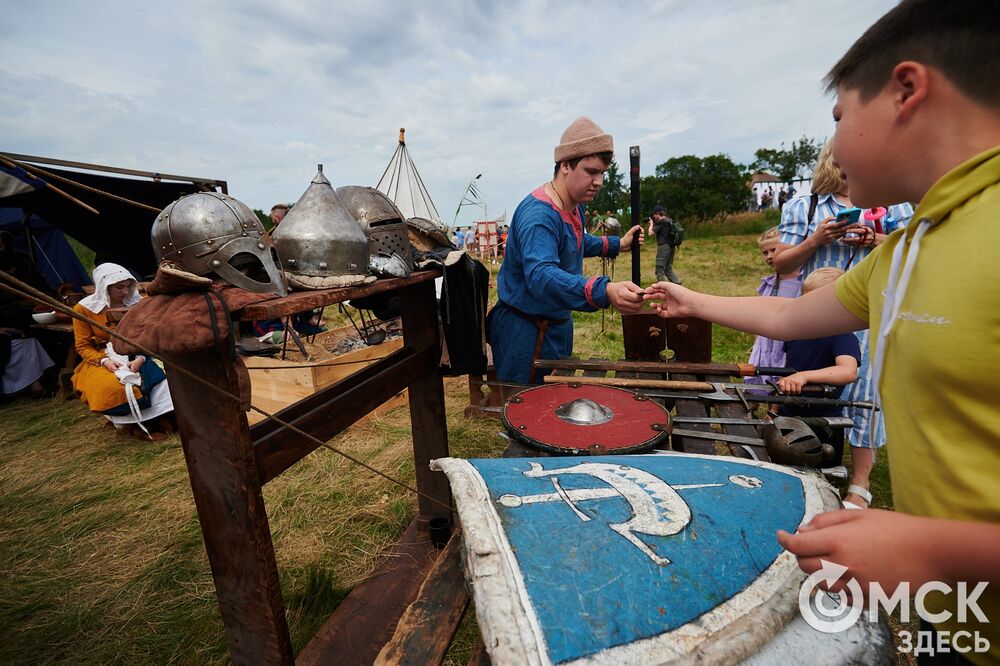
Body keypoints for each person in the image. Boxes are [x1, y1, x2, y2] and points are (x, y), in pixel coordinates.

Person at [646, 0, 1000, 656]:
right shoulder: (910, 248)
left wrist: (927, 546)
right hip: (954, 613)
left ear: (906, 89)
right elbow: (786, 313)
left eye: (839, 117)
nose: (832, 147)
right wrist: (690, 298)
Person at [772, 139, 913, 510]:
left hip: (872, 310)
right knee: (810, 378)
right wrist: (817, 238)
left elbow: (917, 251)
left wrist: (875, 238)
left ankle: (860, 481)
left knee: (867, 389)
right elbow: (781, 263)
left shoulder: (894, 204)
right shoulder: (805, 206)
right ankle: (807, 456)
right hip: (817, 310)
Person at [489, 116, 644, 383]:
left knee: (556, 406)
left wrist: (618, 244)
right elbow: (541, 275)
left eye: (602, 174)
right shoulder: (539, 216)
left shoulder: (573, 203)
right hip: (524, 331)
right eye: (590, 171)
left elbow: (574, 242)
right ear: (565, 166)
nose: (598, 182)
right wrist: (604, 290)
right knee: (524, 412)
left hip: (556, 325)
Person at [72, 263, 174, 440]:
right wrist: (104, 361)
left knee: (164, 377)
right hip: (103, 356)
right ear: (104, 287)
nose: (125, 292)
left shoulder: (139, 303)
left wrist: (141, 357)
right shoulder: (83, 310)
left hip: (141, 350)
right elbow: (82, 346)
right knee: (110, 386)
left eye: (128, 286)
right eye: (119, 287)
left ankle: (162, 418)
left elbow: (151, 335)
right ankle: (133, 425)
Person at [774, 268, 860, 473]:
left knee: (822, 477)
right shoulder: (796, 332)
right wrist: (774, 410)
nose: (808, 306)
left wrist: (806, 376)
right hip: (788, 415)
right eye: (805, 299)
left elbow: (848, 372)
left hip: (824, 422)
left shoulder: (842, 336)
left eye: (816, 301)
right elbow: (788, 372)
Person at [744, 227, 801, 388]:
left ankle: (773, 410)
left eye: (773, 250)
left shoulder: (802, 281)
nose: (769, 256)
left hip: (789, 341)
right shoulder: (770, 282)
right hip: (767, 341)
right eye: (765, 253)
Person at [649, 206, 683, 285]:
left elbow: (650, 233)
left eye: (654, 215)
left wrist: (651, 224)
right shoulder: (669, 220)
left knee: (659, 268)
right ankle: (677, 284)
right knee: (668, 268)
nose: (653, 217)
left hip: (663, 247)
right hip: (671, 246)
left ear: (657, 213)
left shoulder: (661, 222)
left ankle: (662, 287)